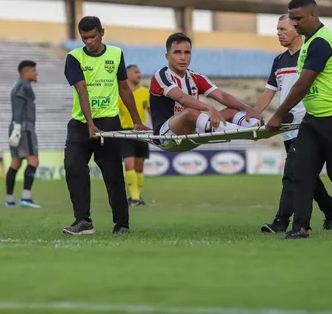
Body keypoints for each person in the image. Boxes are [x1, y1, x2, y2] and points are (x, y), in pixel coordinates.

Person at [266, 0, 332, 239]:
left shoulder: (321, 43)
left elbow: (303, 84)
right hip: (314, 119)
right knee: (301, 171)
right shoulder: (309, 42)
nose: (294, 24)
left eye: (298, 18)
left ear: (313, 15)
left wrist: (278, 115)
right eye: (291, 18)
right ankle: (300, 227)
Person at [255, 15, 332, 233]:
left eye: (282, 29)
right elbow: (269, 92)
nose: (278, 33)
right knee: (306, 175)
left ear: (296, 29)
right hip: (287, 127)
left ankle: (281, 222)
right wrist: (250, 116)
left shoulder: (309, 55)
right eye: (277, 29)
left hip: (307, 125)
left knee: (293, 173)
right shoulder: (278, 61)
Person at [63, 16, 149, 236]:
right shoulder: (74, 58)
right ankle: (83, 221)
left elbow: (123, 88)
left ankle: (122, 224)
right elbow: (82, 90)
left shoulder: (116, 54)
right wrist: (90, 124)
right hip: (81, 124)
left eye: (93, 36)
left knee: (113, 175)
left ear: (102, 32)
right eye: (84, 38)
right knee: (74, 168)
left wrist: (137, 121)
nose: (89, 41)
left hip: (110, 123)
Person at [149, 32, 263, 152]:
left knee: (232, 110)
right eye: (177, 52)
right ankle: (239, 131)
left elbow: (222, 96)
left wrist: (246, 108)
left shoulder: (195, 77)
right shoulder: (161, 76)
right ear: (167, 56)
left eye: (187, 52)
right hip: (167, 137)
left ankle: (253, 125)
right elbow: (181, 97)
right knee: (189, 112)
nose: (183, 57)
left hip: (192, 133)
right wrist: (210, 108)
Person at [5, 60, 41, 209]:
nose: (36, 73)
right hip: (24, 128)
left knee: (16, 162)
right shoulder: (23, 86)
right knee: (33, 161)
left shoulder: (18, 86)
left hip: (18, 127)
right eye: (33, 70)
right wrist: (18, 128)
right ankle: (26, 197)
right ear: (25, 73)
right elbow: (19, 108)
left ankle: (9, 200)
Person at [117, 64, 151, 206]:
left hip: (142, 132)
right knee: (128, 163)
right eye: (136, 72)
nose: (139, 74)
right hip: (126, 132)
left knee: (139, 166)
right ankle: (135, 198)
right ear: (128, 74)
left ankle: (137, 196)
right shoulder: (120, 93)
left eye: (139, 72)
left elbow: (151, 112)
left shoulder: (145, 92)